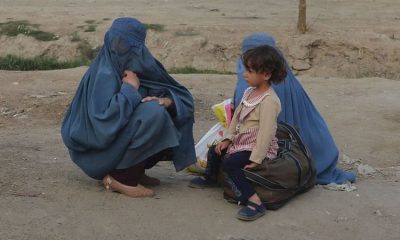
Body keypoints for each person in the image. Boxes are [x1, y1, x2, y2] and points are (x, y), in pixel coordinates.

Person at [61, 17, 196, 197]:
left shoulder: (140, 64)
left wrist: (168, 101)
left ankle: (137, 170)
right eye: (116, 41)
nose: (120, 48)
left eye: (126, 44)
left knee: (167, 109)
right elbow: (102, 126)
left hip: (114, 144)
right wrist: (130, 89)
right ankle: (122, 178)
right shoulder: (105, 73)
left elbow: (181, 97)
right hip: (95, 153)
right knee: (153, 114)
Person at [233, 33, 356, 184]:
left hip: (269, 149)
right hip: (315, 152)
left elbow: (244, 115)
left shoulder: (256, 86)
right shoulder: (283, 76)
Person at [190, 45, 287, 221]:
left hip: (256, 145)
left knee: (232, 164)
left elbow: (266, 133)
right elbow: (236, 118)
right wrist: (228, 138)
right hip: (242, 140)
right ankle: (211, 178)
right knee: (215, 150)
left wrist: (256, 159)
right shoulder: (249, 92)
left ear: (266, 74)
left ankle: (255, 201)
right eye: (245, 69)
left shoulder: (269, 101)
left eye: (250, 70)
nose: (244, 74)